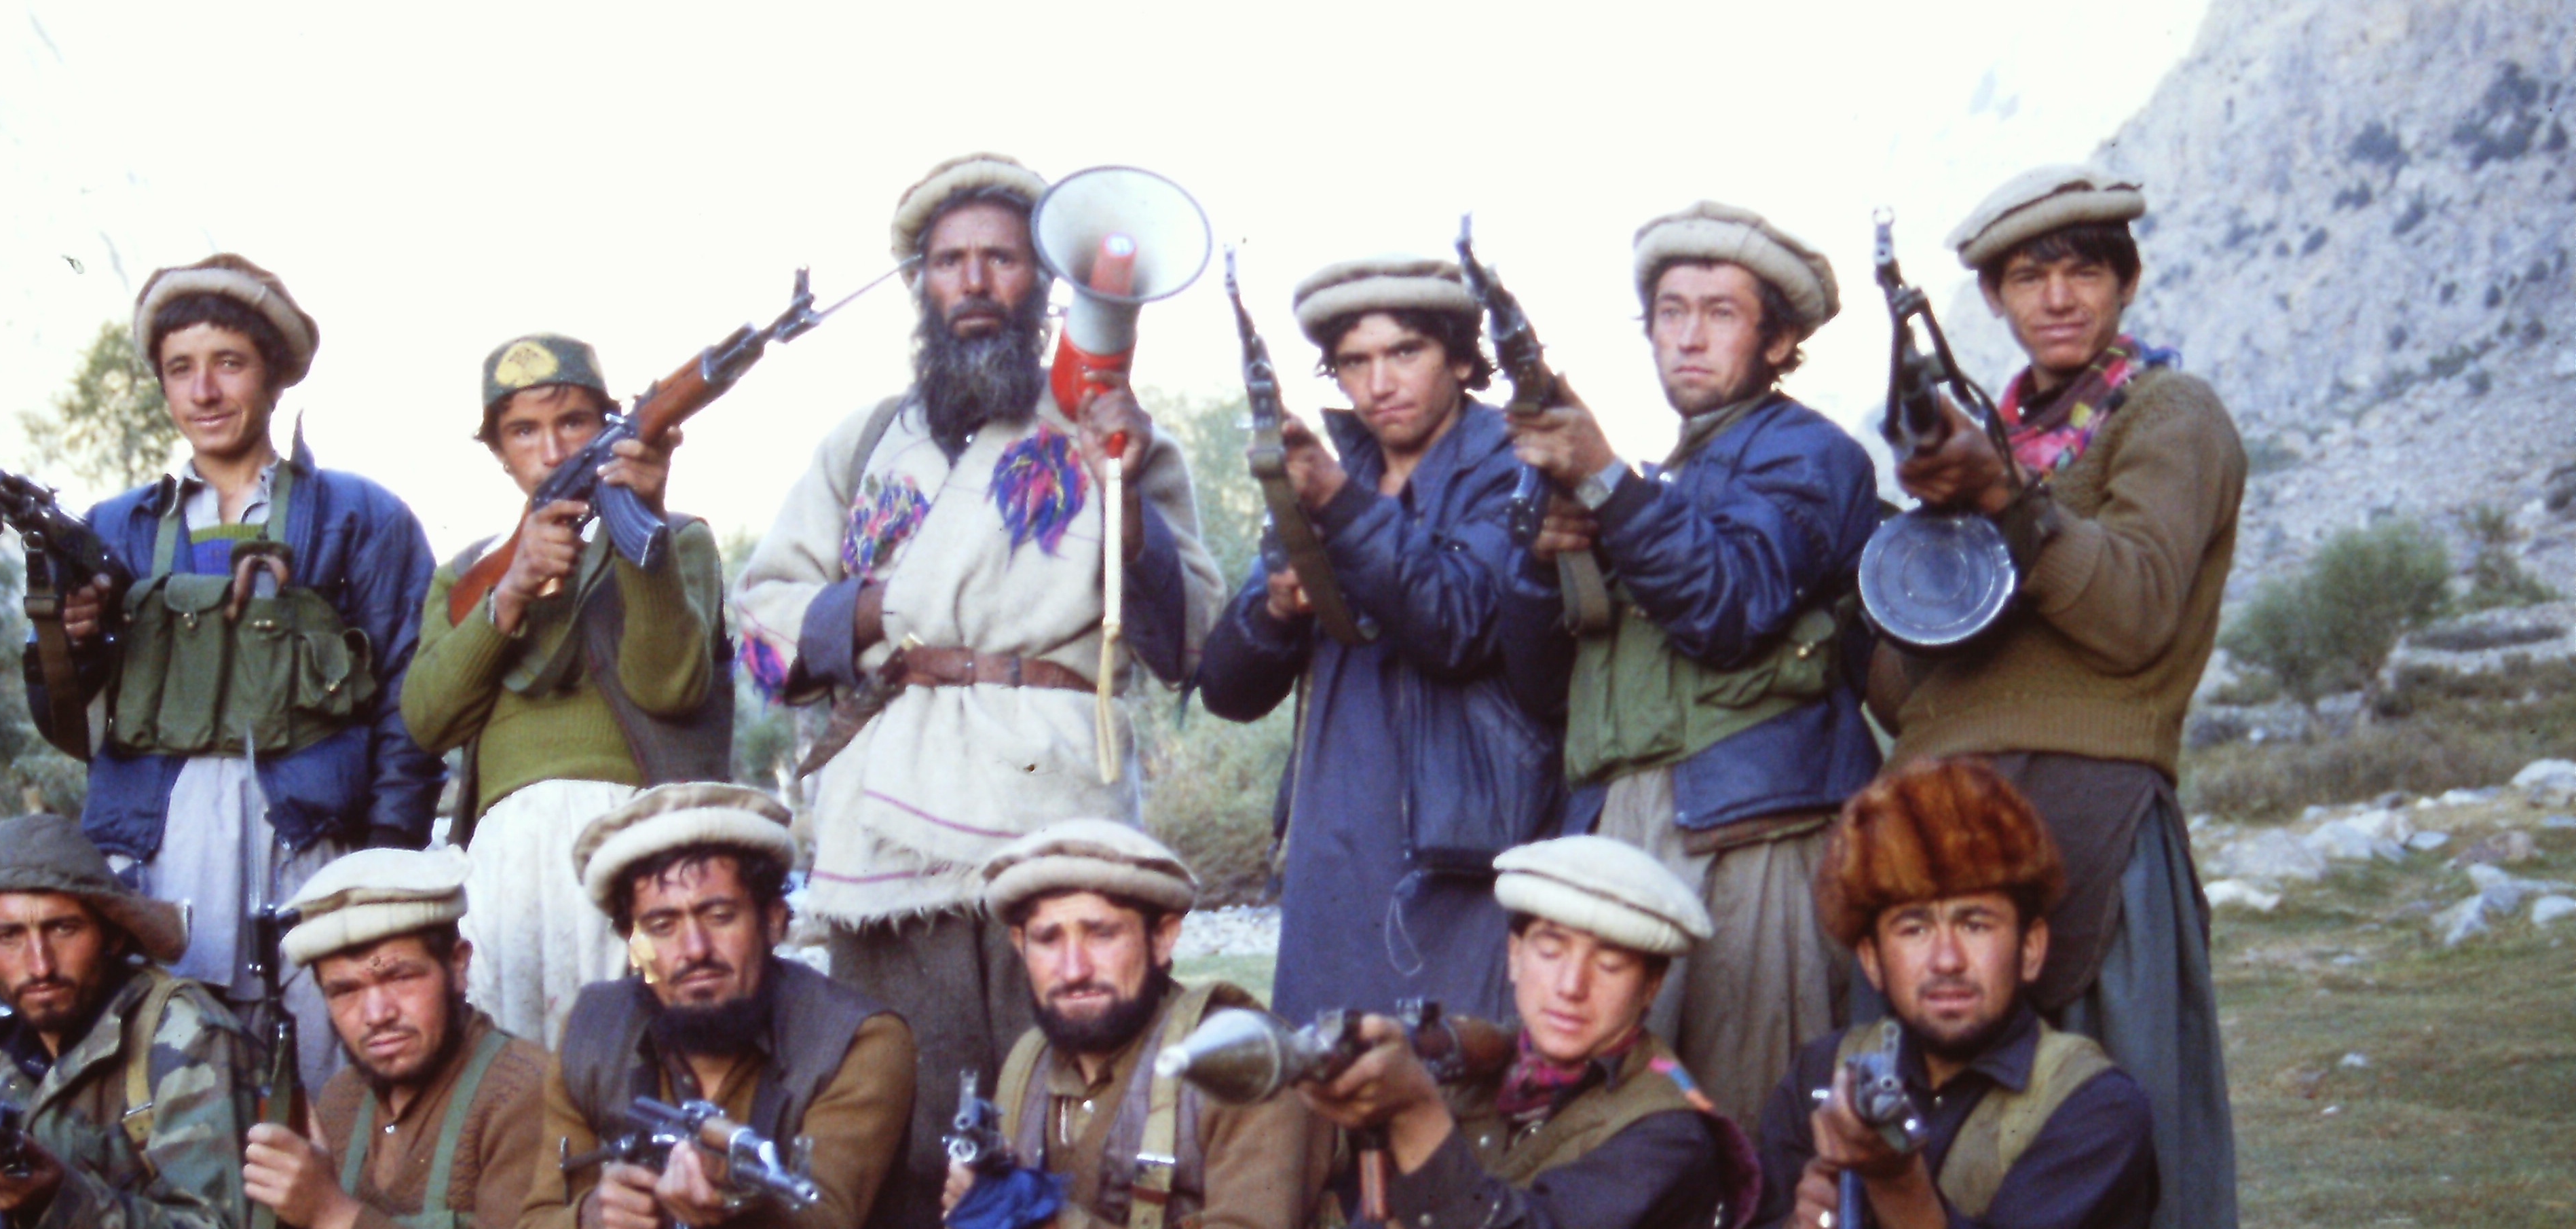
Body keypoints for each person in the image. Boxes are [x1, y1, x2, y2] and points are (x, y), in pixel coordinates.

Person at [730, 151, 1223, 1214]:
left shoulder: (1116, 430)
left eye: (1001, 258)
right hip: (888, 837)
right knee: (903, 1126)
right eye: (950, 260)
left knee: (1071, 1113)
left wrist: (1123, 493)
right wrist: (882, 609)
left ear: (1043, 282)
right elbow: (762, 617)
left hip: (1052, 810)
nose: (974, 281)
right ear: (921, 283)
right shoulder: (865, 442)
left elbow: (1192, 637)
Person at [1873, 166, 2241, 1229]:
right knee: (1924, 1155)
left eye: (2085, 270)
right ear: (1993, 298)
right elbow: (1908, 694)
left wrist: (2006, 498)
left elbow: (2137, 614)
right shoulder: (1978, 441)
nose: (2061, 297)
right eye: (2029, 277)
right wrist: (1905, 563)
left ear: (2127, 281)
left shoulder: (2170, 413)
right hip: (1942, 827)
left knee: (2104, 1139)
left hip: (2090, 821)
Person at [1497, 203, 1884, 1121]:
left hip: (1753, 834)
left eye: (1720, 313)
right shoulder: (1664, 480)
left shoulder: (1811, 455)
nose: (1688, 337)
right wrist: (1539, 560)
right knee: (1628, 1116)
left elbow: (1728, 607)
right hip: (1628, 821)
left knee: (1749, 1110)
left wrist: (1605, 480)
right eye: (1670, 312)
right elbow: (1541, 686)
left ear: (1777, 341)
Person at [29, 253, 444, 1086]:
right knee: (169, 1092)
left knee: (340, 1088)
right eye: (181, 368)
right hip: (155, 860)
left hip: (316, 850)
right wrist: (67, 643)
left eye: (229, 363)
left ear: (274, 377)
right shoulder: (114, 528)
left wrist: (385, 864)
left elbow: (411, 699)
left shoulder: (359, 517)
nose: (205, 391)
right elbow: (68, 722)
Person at [1195, 257, 1561, 1022]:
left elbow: (1460, 625)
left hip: (1472, 851)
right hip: (1333, 845)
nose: (1379, 384)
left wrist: (1338, 502)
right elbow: (1227, 691)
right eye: (1354, 363)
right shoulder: (1332, 474)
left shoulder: (1515, 464)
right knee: (1325, 1072)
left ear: (1462, 360)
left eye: (1405, 352)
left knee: (1457, 1071)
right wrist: (1276, 608)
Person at [403, 332, 724, 1047]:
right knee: (516, 1069)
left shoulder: (678, 540)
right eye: (524, 431)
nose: (550, 450)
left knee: (639, 1057)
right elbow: (427, 721)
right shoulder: (469, 575)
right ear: (499, 451)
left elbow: (671, 690)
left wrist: (646, 534)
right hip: (505, 860)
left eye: (573, 423)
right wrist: (510, 594)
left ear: (607, 427)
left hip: (635, 837)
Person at [1751, 758, 2157, 1229]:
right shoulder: (1821, 1073)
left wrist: (1895, 1181)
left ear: (2030, 948)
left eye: (1975, 924)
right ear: (1871, 959)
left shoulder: (2093, 1107)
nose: (1947, 960)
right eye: (1914, 929)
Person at [1296, 834, 1751, 1228]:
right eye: (1550, 952)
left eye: (1610, 965)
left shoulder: (1667, 1133)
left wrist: (1417, 1113)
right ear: (1515, 957)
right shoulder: (1480, 1066)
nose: (1571, 987)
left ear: (1651, 987)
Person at [522, 784, 916, 1229]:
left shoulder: (856, 1041)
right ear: (633, 946)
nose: (695, 949)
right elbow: (536, 1218)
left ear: (774, 921)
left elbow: (826, 1216)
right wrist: (589, 1218)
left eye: (720, 917)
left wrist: (739, 1202)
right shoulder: (590, 1035)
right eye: (662, 926)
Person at [943, 820, 1334, 1228]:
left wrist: (1039, 1219)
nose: (1074, 970)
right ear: (1020, 945)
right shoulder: (1028, 1063)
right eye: (1048, 940)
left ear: (1162, 938)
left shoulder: (1246, 1066)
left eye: (1102, 934)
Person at [0, 812, 256, 1229]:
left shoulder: (188, 1039)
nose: (40, 965)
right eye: (8, 937)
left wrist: (59, 1203)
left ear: (113, 934)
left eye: (63, 929)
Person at [239, 846, 555, 1229]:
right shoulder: (341, 1100)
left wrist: (331, 1213)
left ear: (457, 965)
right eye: (345, 991)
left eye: (400, 977)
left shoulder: (525, 1091)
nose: (377, 1015)